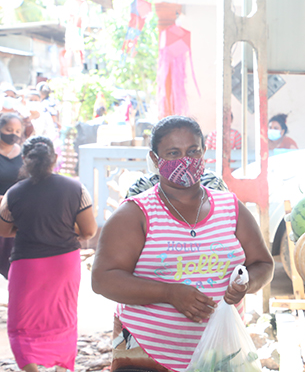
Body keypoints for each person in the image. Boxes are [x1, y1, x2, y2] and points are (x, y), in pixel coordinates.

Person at [91, 115, 274, 372]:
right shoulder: (135, 214)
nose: (185, 160)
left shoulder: (230, 207)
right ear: (155, 159)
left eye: (192, 151)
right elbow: (103, 279)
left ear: (203, 152)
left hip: (220, 352)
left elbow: (263, 263)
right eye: (173, 153)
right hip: (145, 354)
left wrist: (247, 283)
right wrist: (169, 293)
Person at [0, 136, 97, 372]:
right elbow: (89, 231)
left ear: (24, 159)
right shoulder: (76, 188)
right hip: (65, 264)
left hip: (27, 265)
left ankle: (31, 368)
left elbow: (3, 230)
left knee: (21, 322)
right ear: (54, 159)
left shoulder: (14, 192)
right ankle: (62, 368)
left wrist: (28, 226)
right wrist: (62, 227)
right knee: (63, 317)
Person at [0, 113, 24, 279]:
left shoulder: (23, 154)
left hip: (13, 213)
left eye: (17, 131)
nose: (13, 134)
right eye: (9, 130)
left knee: (11, 259)